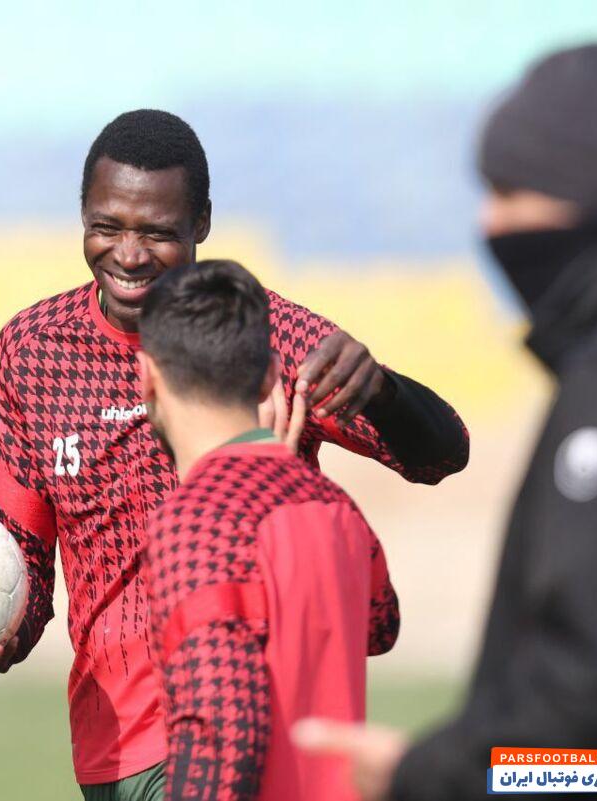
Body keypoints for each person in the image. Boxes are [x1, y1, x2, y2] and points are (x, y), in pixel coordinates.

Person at [0, 109, 470, 798]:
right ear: (82, 214)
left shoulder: (261, 335)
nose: (128, 254)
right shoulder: (32, 352)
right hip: (125, 747)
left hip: (247, 743)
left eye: (156, 232)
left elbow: (440, 455)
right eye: (107, 226)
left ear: (201, 222)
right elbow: (14, 565)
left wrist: (386, 393)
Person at [297, 43, 597, 801]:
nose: (491, 222)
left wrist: (427, 775)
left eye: (509, 192)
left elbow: (593, 699)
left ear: (584, 187)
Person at [138, 259, 398, 801]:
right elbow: (382, 627)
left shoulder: (196, 519)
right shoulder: (335, 505)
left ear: (148, 377)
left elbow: (221, 728)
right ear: (269, 376)